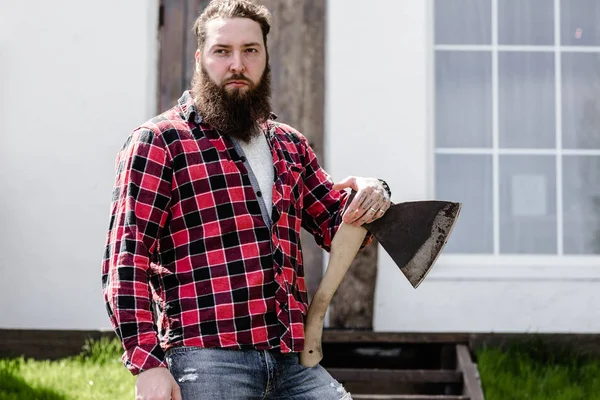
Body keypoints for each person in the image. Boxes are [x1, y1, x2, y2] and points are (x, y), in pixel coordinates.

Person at [101, 0, 392, 398]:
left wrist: (374, 194)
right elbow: (127, 257)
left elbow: (335, 225)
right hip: (206, 358)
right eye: (223, 51)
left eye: (250, 50)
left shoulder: (290, 145)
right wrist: (146, 363)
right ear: (201, 58)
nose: (237, 64)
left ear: (266, 57)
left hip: (293, 363)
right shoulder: (161, 142)